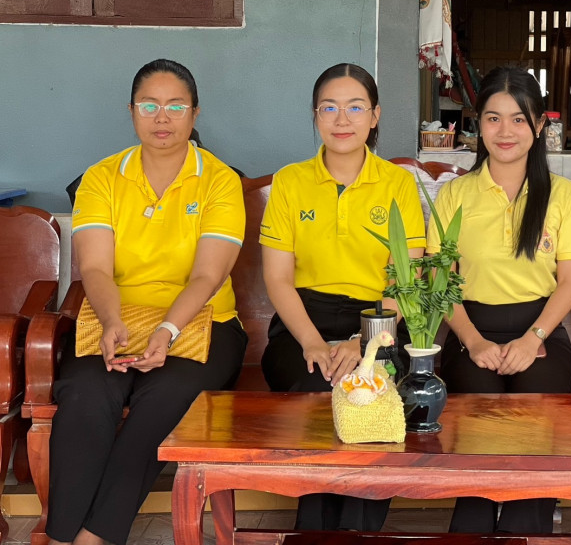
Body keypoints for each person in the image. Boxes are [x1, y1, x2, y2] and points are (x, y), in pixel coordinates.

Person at [47, 59, 247, 545]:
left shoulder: (219, 180)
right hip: (113, 320)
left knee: (165, 398)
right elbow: (95, 269)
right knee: (85, 392)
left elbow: (208, 275)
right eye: (149, 105)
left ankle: (93, 537)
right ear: (131, 111)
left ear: (195, 113)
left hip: (203, 325)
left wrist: (166, 331)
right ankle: (60, 535)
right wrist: (112, 321)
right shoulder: (101, 177)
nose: (162, 117)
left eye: (176, 106)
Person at [259, 62, 426, 530]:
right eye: (329, 108)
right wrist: (313, 343)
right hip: (303, 322)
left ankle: (356, 533)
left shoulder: (398, 183)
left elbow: (405, 282)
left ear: (375, 116)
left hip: (379, 323)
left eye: (355, 108)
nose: (341, 119)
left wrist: (362, 342)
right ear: (315, 115)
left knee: (372, 394)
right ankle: (315, 533)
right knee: (317, 387)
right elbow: (278, 279)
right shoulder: (291, 181)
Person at [427, 66, 571, 534]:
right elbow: (441, 281)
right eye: (493, 118)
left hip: (540, 330)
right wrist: (473, 341)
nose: (506, 131)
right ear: (478, 125)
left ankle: (527, 530)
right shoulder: (454, 194)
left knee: (534, 417)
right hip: (470, 332)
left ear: (538, 126)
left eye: (519, 119)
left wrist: (532, 338)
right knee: (476, 418)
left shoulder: (562, 195)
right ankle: (472, 531)